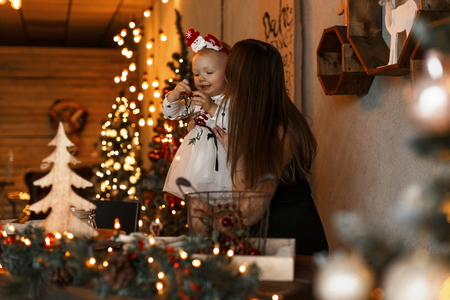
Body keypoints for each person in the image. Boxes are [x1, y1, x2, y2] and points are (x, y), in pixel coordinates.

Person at [213, 39, 329, 256]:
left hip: (290, 242)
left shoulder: (280, 133)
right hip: (272, 239)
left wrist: (235, 153)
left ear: (238, 79)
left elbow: (248, 214)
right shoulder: (254, 122)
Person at [162, 28, 231, 199]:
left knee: (222, 213)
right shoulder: (196, 99)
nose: (201, 78)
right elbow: (171, 114)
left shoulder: (231, 100)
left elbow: (234, 124)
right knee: (197, 211)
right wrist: (173, 96)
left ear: (229, 73)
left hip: (221, 166)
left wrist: (211, 107)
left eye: (209, 72)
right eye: (196, 74)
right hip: (196, 164)